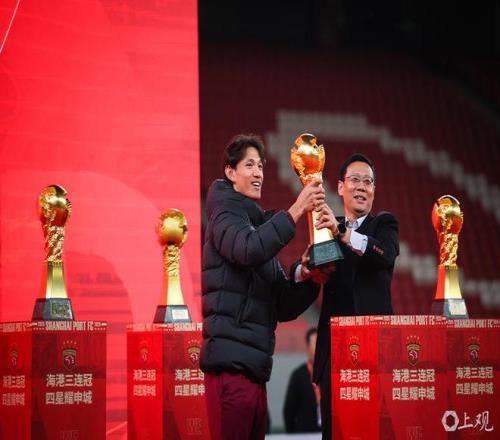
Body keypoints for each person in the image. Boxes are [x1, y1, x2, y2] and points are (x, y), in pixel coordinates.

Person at [200, 134, 326, 440]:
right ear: (230, 172)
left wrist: (306, 274)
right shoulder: (224, 214)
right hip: (231, 372)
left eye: (260, 166)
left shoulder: (256, 226)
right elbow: (248, 249)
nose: (258, 173)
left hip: (254, 372)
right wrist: (297, 210)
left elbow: (281, 304)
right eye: (249, 165)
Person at [309, 153, 399, 440]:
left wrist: (344, 234)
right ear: (340, 187)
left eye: (368, 182)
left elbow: (385, 255)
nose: (361, 187)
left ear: (374, 189)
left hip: (375, 352)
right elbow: (314, 271)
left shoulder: (384, 224)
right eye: (355, 180)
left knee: (375, 431)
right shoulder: (326, 228)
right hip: (334, 355)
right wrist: (306, 265)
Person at [283, 327, 322, 433]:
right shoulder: (298, 375)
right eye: (316, 344)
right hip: (305, 433)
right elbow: (289, 412)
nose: (319, 348)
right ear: (307, 347)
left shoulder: (328, 374)